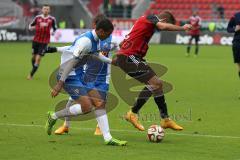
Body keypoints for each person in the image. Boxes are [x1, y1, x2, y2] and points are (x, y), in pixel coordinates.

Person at [45, 18, 127, 146]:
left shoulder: (95, 40)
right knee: (87, 107)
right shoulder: (86, 41)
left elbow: (96, 54)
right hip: (67, 75)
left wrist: (112, 62)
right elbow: (71, 62)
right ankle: (54, 116)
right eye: (107, 34)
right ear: (100, 31)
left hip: (78, 74)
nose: (108, 36)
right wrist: (60, 84)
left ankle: (108, 138)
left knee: (99, 102)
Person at [113, 11, 192, 131]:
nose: (162, 30)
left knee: (156, 85)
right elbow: (163, 26)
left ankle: (165, 119)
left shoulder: (143, 21)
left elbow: (121, 44)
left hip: (130, 57)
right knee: (155, 83)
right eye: (166, 25)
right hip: (129, 57)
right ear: (164, 20)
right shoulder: (152, 18)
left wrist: (127, 55)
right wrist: (182, 28)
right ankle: (133, 113)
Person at [27, 4, 57, 80]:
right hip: (36, 40)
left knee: (38, 58)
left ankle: (31, 75)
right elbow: (30, 25)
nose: (46, 10)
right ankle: (34, 67)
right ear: (42, 10)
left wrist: (53, 32)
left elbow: (55, 28)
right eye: (44, 9)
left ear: (49, 10)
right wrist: (31, 28)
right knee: (33, 57)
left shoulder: (52, 19)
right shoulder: (37, 18)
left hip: (44, 42)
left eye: (47, 9)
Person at [227, 12, 240, 79]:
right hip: (237, 42)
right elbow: (228, 28)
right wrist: (235, 29)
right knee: (239, 64)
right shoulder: (236, 16)